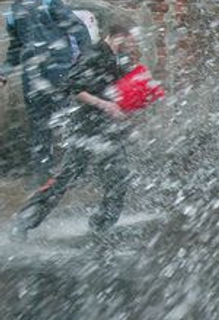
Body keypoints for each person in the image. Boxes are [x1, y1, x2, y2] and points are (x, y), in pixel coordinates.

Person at [11, 22, 138, 240]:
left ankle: (100, 226)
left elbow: (119, 90)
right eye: (131, 40)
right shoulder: (93, 54)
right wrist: (105, 105)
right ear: (118, 36)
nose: (133, 45)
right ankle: (24, 222)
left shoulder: (121, 59)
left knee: (119, 177)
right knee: (67, 178)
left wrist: (131, 102)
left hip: (108, 130)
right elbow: (73, 88)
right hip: (86, 128)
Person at [1, 0, 92, 187]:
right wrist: (3, 72)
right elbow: (16, 47)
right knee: (38, 124)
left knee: (70, 120)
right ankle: (42, 175)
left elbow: (79, 30)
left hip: (59, 71)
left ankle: (77, 171)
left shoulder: (49, 2)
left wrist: (84, 64)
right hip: (32, 76)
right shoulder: (13, 12)